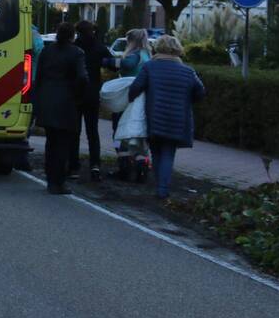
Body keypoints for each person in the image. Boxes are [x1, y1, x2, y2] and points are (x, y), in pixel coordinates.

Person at [127, 35, 205, 200]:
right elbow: (200, 92)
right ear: (177, 49)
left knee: (156, 152)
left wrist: (130, 100)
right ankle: (163, 189)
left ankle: (159, 187)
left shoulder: (150, 67)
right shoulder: (187, 71)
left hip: (154, 117)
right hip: (177, 118)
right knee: (169, 152)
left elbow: (135, 87)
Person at [33, 22, 87, 195]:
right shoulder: (77, 53)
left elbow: (38, 76)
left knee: (51, 142)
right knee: (63, 144)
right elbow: (81, 77)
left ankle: (50, 179)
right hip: (66, 102)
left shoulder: (47, 51)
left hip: (47, 99)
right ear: (73, 36)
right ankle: (59, 181)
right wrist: (77, 95)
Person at [71, 20, 116, 181]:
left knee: (74, 132)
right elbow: (114, 66)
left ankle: (74, 166)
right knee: (93, 132)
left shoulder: (75, 47)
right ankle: (95, 165)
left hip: (75, 94)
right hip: (92, 94)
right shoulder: (99, 48)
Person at [112, 28, 151, 181]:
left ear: (132, 41)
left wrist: (110, 61)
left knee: (119, 133)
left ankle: (124, 168)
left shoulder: (134, 55)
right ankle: (142, 167)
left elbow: (127, 64)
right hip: (142, 100)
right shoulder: (147, 55)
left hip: (127, 99)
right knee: (139, 134)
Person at [14, 25, 45, 172]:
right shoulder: (32, 33)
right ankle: (21, 157)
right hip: (30, 79)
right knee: (26, 120)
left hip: (10, 77)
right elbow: (41, 51)